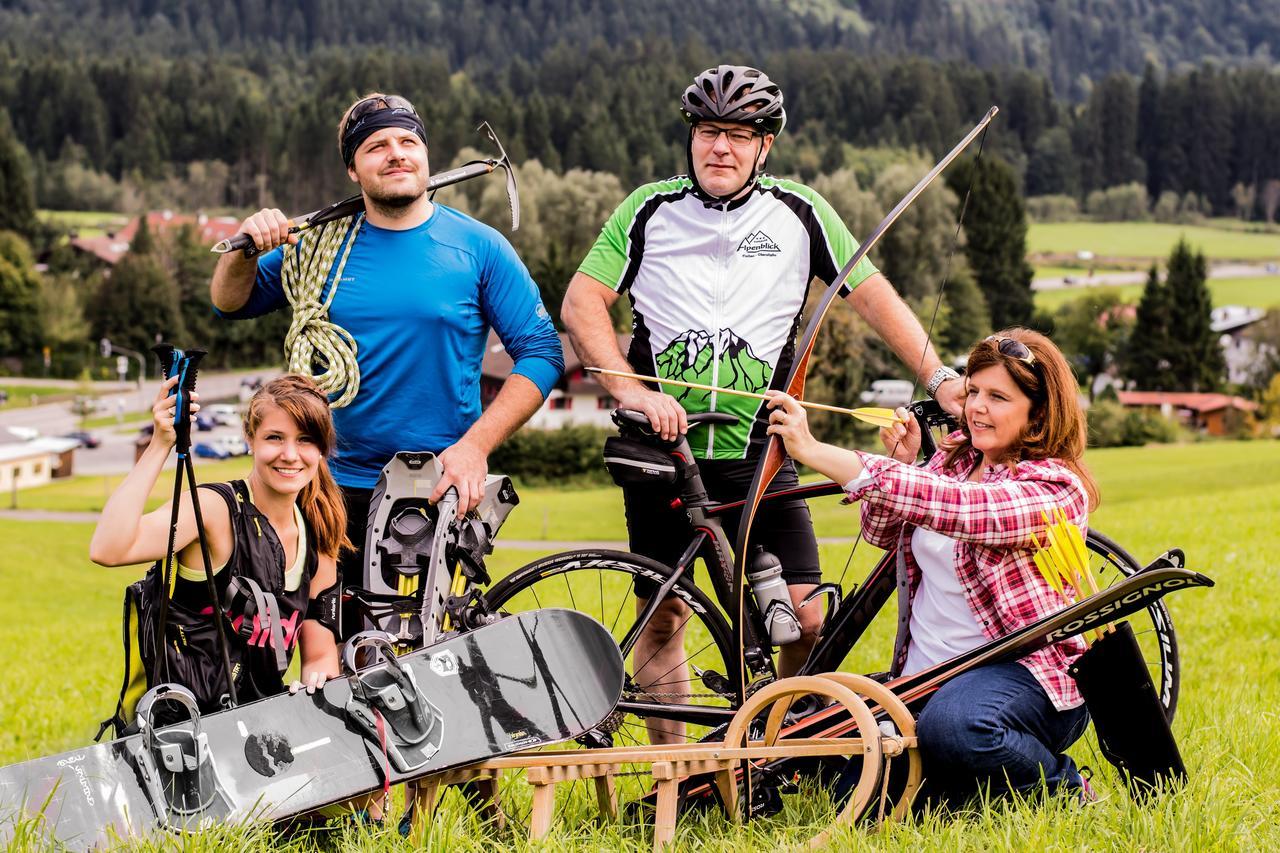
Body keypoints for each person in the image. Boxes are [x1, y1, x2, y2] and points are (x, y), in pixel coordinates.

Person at [560, 64, 967, 737]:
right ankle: (674, 771)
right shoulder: (646, 209)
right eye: (709, 131)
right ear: (691, 136)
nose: (721, 147)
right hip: (666, 448)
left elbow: (869, 293)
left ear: (764, 146)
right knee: (665, 614)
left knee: (805, 615)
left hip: (763, 447)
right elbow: (582, 302)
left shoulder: (801, 212)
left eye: (739, 135)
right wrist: (633, 396)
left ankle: (779, 740)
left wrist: (940, 379)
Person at [210, 93, 563, 615]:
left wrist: (475, 447)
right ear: (354, 168)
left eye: (408, 142)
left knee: (433, 647)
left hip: (438, 485)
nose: (396, 154)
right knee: (329, 649)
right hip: (324, 485)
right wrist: (245, 247)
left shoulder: (478, 247)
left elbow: (541, 352)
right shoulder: (317, 247)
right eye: (377, 146)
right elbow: (229, 302)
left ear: (425, 156)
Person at [765, 329, 1100, 803]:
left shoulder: (1056, 489)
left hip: (1024, 676)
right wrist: (899, 461)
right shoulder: (955, 462)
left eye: (998, 397)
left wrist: (815, 451)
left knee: (957, 726)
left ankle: (1065, 788)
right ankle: (967, 782)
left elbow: (961, 508)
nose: (977, 407)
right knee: (852, 790)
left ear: (1039, 412)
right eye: (973, 392)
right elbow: (884, 532)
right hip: (925, 678)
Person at [90, 374, 349, 717]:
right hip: (177, 733)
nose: (290, 454)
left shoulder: (317, 533)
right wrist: (160, 445)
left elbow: (319, 656)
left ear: (320, 450)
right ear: (250, 438)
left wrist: (315, 688)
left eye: (305, 440)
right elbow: (108, 549)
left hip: (259, 740)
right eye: (275, 437)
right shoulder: (214, 509)